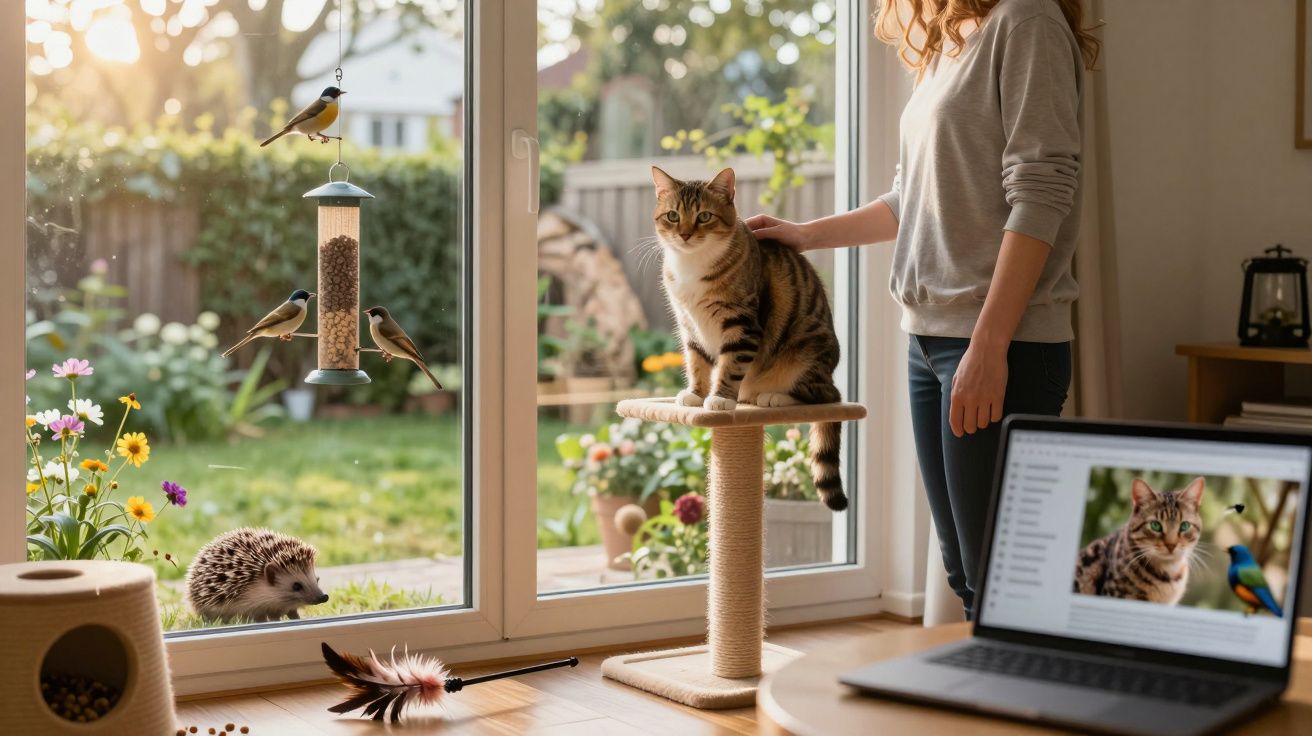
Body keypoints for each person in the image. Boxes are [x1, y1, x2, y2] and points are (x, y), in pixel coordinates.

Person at [745, 0, 1100, 619]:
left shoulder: (1028, 22)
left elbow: (1042, 190)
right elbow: (910, 195)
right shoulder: (945, 45)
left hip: (1002, 342)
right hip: (930, 339)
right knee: (967, 572)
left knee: (1000, 577)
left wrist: (989, 348)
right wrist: (805, 235)